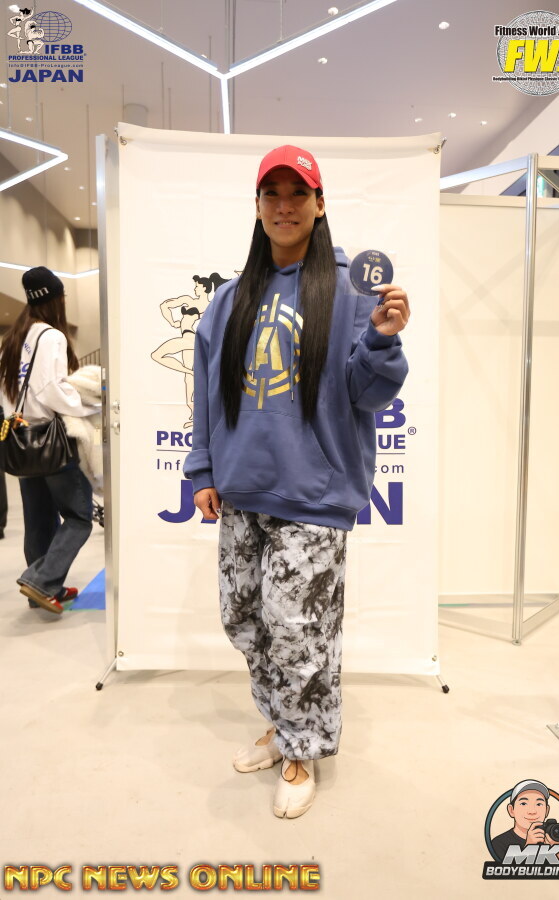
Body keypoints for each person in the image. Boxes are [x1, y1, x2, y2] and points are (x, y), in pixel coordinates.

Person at [183, 145, 410, 819]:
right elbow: (207, 393)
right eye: (272, 193)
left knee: (298, 629)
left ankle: (302, 748)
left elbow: (370, 393)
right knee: (244, 618)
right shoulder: (229, 300)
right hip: (242, 490)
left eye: (298, 193)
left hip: (315, 493)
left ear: (319, 203)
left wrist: (383, 339)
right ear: (258, 207)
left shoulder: (350, 292)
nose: (284, 205)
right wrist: (203, 469)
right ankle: (282, 722)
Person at [0, 266, 99, 615]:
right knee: (79, 516)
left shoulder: (14, 338)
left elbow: (9, 395)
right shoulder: (51, 336)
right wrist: (87, 406)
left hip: (20, 439)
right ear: (56, 298)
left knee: (38, 518)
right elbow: (51, 390)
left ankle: (43, 590)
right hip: (50, 439)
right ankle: (41, 580)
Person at [152, 273, 230, 427]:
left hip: (192, 338)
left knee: (159, 355)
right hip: (190, 338)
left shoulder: (210, 305)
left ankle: (198, 415)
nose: (195, 289)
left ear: (205, 288)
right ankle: (195, 416)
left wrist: (177, 322)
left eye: (197, 286)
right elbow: (164, 306)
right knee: (189, 379)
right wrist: (172, 322)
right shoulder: (192, 301)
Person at [491, 780, 559, 862]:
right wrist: (529, 847)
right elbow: (507, 869)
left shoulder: (551, 838)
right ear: (511, 810)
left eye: (539, 804)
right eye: (523, 803)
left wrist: (557, 849)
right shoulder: (498, 843)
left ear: (547, 810)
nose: (532, 811)